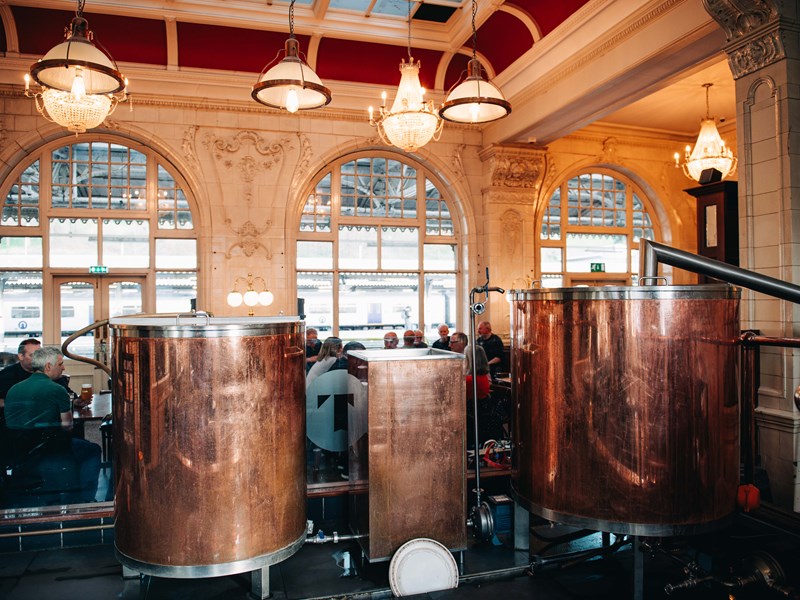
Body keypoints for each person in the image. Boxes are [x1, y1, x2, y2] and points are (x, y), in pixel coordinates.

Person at [4, 346, 101, 503]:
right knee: (92, 450)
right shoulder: (57, 389)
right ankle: (84, 500)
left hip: (18, 452)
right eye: (60, 364)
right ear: (48, 366)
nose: (63, 368)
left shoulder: (14, 389)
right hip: (50, 451)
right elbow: (68, 425)